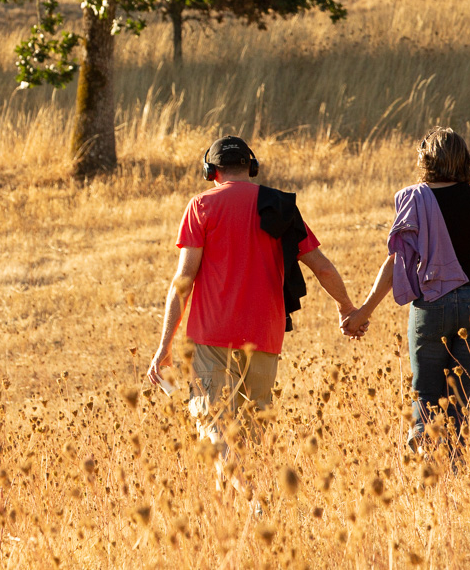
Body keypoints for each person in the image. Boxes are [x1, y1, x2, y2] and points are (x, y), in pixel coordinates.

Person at [145, 136, 358, 499]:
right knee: (248, 439)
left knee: (216, 430)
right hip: (265, 338)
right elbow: (321, 267)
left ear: (211, 172)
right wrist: (346, 307)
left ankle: (253, 496)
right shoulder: (278, 206)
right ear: (251, 166)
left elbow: (183, 280)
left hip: (211, 339)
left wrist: (165, 344)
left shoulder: (201, 206)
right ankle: (234, 526)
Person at [342, 127, 470, 457]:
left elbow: (397, 263)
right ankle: (451, 481)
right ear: (465, 160)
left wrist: (363, 311)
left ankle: (426, 466)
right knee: (456, 405)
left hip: (431, 306)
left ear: (425, 158)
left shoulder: (413, 199)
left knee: (427, 400)